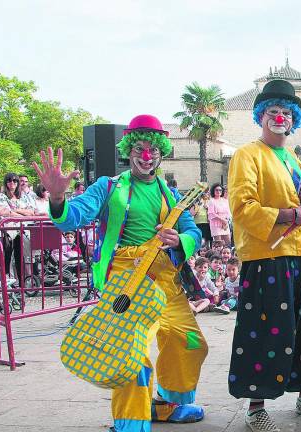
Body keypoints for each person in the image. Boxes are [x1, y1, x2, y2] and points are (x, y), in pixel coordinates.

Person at [33, 114, 207, 431]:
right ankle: (129, 423)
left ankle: (166, 405)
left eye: (153, 150)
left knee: (191, 342)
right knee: (131, 357)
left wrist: (179, 239)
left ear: (161, 152)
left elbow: (193, 231)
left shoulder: (171, 193)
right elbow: (73, 217)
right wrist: (58, 198)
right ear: (128, 150)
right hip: (128, 279)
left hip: (167, 278)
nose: (146, 155)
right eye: (139, 148)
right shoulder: (109, 187)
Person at [226, 79, 301, 432]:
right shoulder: (247, 155)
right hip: (268, 258)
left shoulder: (291, 155)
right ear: (261, 117)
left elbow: (300, 203)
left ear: (294, 120)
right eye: (273, 112)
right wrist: (291, 215)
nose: (279, 118)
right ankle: (255, 408)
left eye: (286, 113)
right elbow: (242, 208)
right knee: (267, 330)